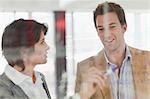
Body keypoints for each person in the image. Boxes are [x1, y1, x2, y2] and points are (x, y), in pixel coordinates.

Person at [75, 1, 150, 99]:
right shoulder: (84, 68)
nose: (107, 34)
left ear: (124, 27)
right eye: (101, 29)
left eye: (112, 27)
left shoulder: (147, 60)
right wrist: (84, 94)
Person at [0, 19, 51, 99]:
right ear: (24, 51)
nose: (47, 47)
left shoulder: (40, 78)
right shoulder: (2, 89)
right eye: (42, 42)